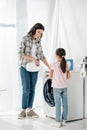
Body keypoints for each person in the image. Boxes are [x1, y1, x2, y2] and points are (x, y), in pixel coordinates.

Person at [18, 23, 51, 119]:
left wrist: (49, 67)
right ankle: (23, 110)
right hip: (24, 67)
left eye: (41, 33)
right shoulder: (25, 39)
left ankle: (30, 109)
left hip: (34, 68)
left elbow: (41, 56)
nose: (39, 34)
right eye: (38, 32)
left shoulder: (38, 41)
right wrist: (33, 59)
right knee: (26, 89)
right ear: (34, 30)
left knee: (32, 89)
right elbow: (21, 53)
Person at [49, 48, 71, 127]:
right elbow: (68, 76)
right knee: (65, 104)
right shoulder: (67, 64)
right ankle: (64, 120)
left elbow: (50, 76)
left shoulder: (53, 64)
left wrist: (53, 78)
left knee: (58, 104)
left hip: (56, 87)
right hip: (64, 87)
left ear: (57, 56)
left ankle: (58, 122)